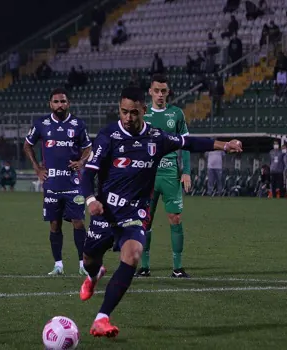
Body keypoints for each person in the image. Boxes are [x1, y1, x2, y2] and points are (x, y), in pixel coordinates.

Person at [79, 86, 243, 337]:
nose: (128, 117)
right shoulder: (108, 136)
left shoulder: (157, 137)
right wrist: (91, 200)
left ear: (143, 110)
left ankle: (102, 317)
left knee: (132, 254)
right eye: (124, 112)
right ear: (119, 110)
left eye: (134, 112)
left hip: (135, 213)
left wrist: (224, 145)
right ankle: (94, 274)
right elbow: (88, 173)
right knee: (89, 258)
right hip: (105, 211)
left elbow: (189, 142)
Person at [24, 87, 92, 276]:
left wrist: (81, 162)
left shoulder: (78, 124)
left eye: (63, 101)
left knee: (78, 222)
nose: (60, 105)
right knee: (55, 224)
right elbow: (27, 144)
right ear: (50, 104)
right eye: (56, 102)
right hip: (52, 183)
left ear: (68, 103)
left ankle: (82, 264)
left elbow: (88, 147)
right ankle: (58, 265)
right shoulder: (41, 124)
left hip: (73, 184)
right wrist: (37, 168)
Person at [136, 74, 192, 278]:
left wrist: (186, 171)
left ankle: (177, 267)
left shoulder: (176, 114)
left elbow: (186, 145)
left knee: (175, 218)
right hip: (147, 173)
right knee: (144, 221)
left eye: (164, 91)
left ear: (168, 92)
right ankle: (144, 266)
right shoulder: (142, 114)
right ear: (150, 91)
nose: (160, 95)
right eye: (156, 91)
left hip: (170, 173)